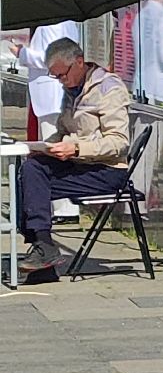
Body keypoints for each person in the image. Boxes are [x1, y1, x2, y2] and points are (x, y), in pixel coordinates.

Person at [17, 38, 133, 276]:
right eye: (56, 77)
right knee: (30, 170)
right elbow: (62, 130)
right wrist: (46, 147)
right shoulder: (71, 90)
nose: (61, 81)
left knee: (34, 184)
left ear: (79, 62)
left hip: (107, 169)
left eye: (62, 75)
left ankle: (43, 249)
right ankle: (43, 245)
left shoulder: (109, 88)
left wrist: (77, 148)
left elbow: (119, 142)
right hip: (79, 163)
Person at [20, 19, 83, 222]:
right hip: (51, 95)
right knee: (51, 147)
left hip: (52, 95)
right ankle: (61, 206)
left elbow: (52, 60)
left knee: (54, 150)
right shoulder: (66, 22)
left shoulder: (52, 24)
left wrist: (22, 53)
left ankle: (65, 208)